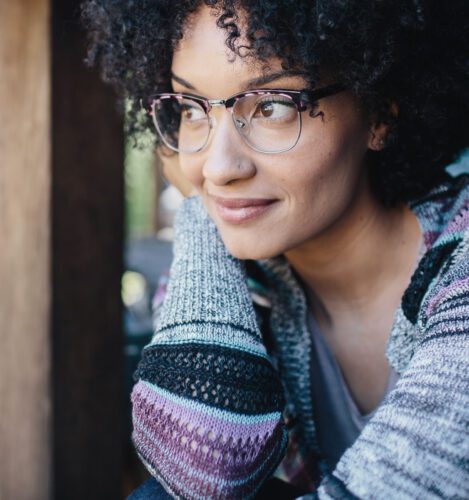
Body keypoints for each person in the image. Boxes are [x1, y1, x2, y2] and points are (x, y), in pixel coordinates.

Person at [82, 1, 469, 498]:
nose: (220, 165)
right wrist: (204, 209)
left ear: (381, 111)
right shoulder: (233, 283)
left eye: (272, 105)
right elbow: (198, 475)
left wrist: (207, 194)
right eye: (189, 109)